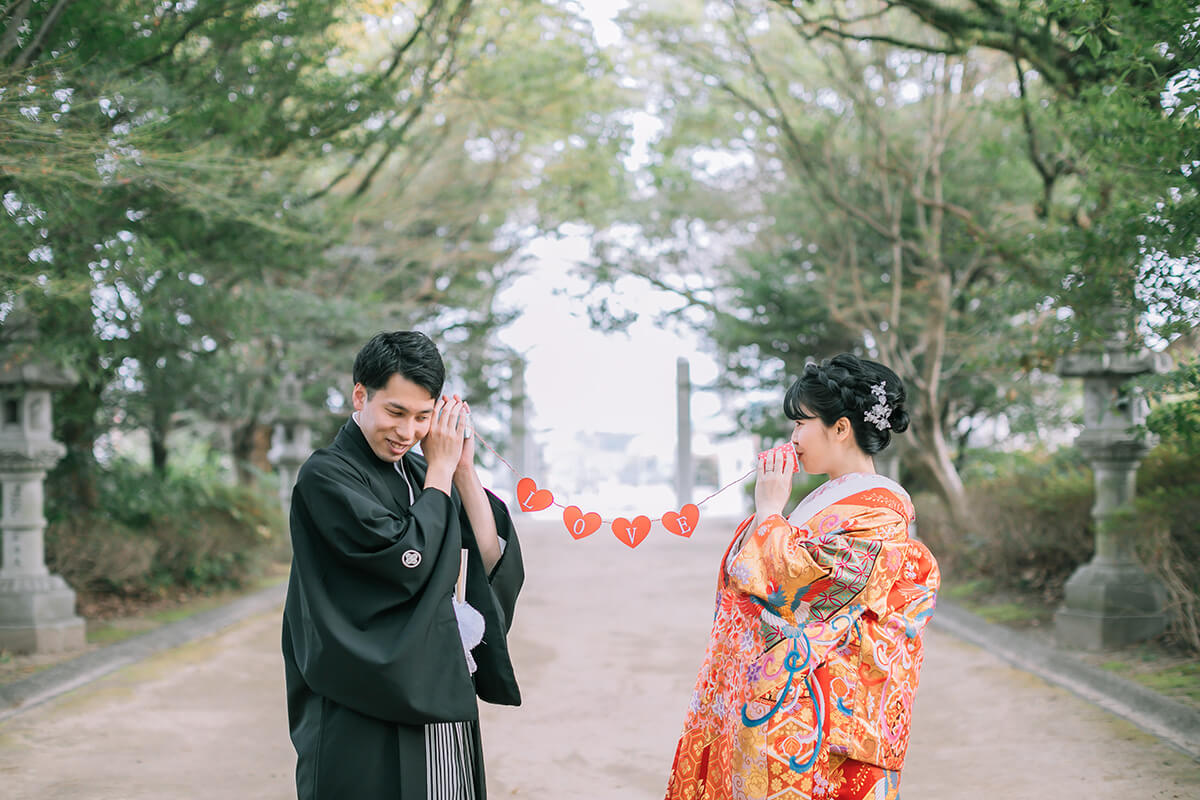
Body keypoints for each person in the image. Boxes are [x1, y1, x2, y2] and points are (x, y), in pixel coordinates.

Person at [664, 354, 940, 800]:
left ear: (841, 428)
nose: (793, 437)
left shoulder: (882, 511)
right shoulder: (831, 497)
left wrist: (771, 512)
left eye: (801, 423)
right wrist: (770, 518)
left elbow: (799, 591)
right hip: (785, 691)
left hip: (820, 707)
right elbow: (762, 570)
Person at [282, 331, 523, 799]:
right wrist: (440, 473)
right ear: (360, 395)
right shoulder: (326, 476)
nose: (408, 433)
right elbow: (405, 563)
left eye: (423, 417)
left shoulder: (424, 474)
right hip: (359, 700)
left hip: (436, 687)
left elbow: (489, 559)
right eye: (395, 412)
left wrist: (462, 471)